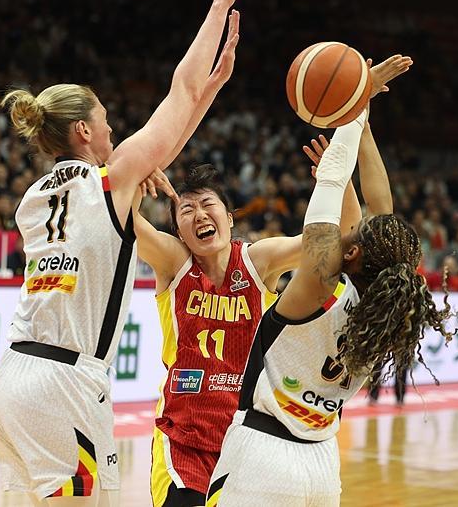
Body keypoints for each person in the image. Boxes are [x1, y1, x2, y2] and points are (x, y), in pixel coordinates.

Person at [0, 0, 249, 507]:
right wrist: (218, 4)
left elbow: (166, 142)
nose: (112, 131)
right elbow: (179, 91)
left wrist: (210, 92)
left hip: (12, 378)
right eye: (105, 120)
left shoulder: (35, 197)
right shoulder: (110, 181)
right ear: (84, 130)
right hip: (65, 384)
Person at [134, 57, 409, 507]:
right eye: (187, 210)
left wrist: (337, 181)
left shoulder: (258, 260)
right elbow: (122, 221)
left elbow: (342, 237)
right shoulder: (173, 261)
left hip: (245, 434)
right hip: (184, 439)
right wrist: (139, 175)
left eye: (208, 205)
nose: (199, 215)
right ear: (178, 230)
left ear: (230, 217)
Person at [206, 104, 458, 507]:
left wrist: (353, 112)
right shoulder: (385, 312)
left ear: (352, 252)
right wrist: (363, 122)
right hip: (322, 465)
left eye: (355, 234)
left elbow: (330, 201)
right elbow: (382, 209)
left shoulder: (319, 289)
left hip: (262, 456)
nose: (352, 228)